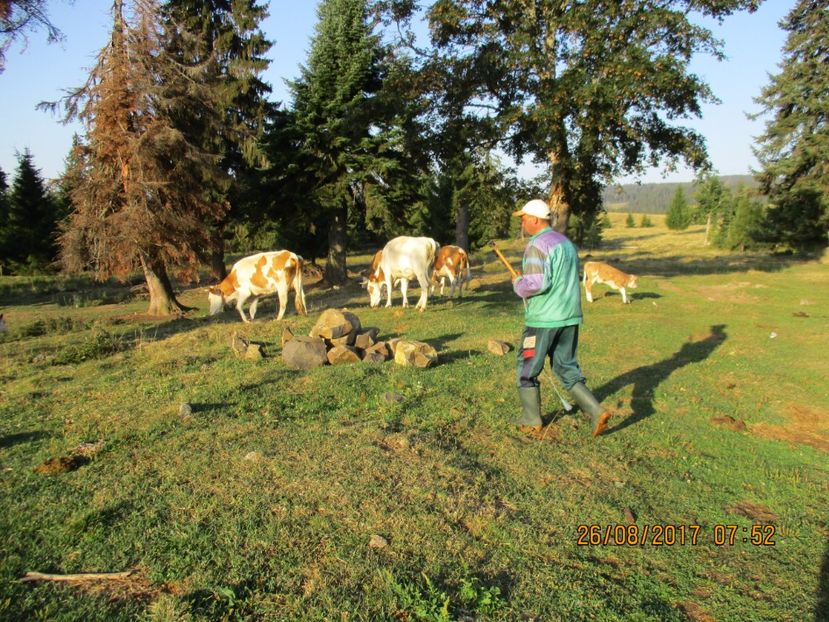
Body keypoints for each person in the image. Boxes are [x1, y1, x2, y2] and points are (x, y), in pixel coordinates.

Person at [511, 199, 611, 438]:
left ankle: (531, 418)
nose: (522, 223)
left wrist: (518, 283)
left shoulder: (537, 245)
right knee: (566, 367)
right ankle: (596, 411)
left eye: (523, 218)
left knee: (527, 368)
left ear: (535, 219)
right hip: (570, 317)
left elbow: (537, 283)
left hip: (544, 319)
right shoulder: (565, 243)